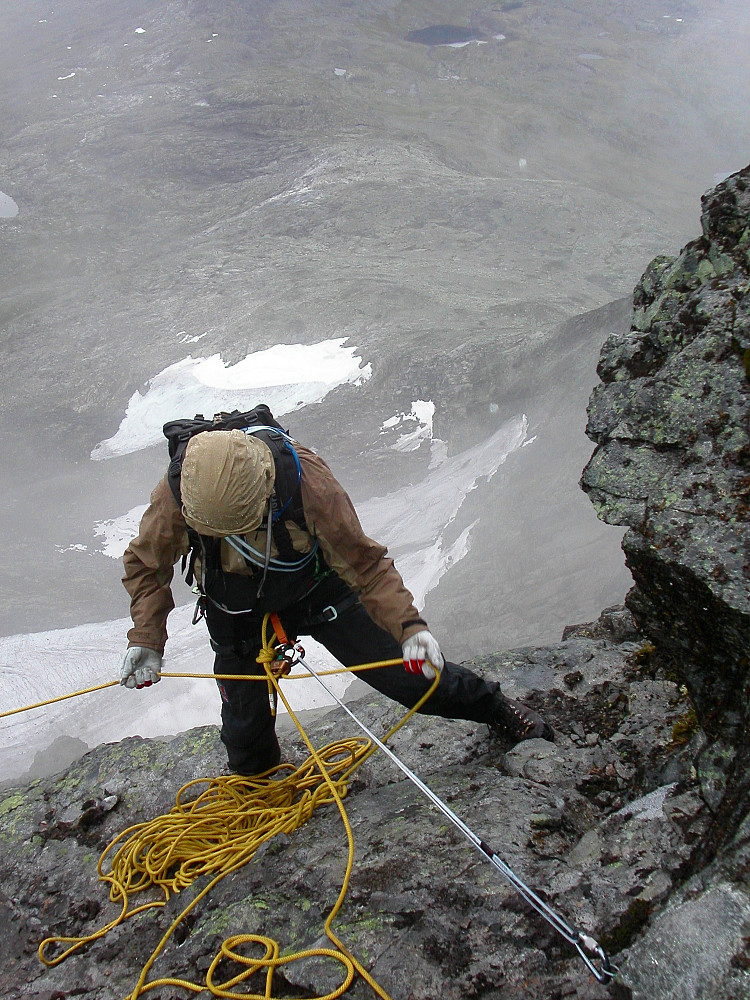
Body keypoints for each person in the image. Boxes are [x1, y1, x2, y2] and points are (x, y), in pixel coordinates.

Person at [121, 415, 553, 775]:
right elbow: (147, 565)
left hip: (316, 588)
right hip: (237, 610)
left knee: (409, 677)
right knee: (244, 733)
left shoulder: (306, 481)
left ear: (266, 485)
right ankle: (262, 783)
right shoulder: (181, 489)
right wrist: (145, 639)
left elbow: (364, 564)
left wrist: (409, 628)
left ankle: (495, 707)